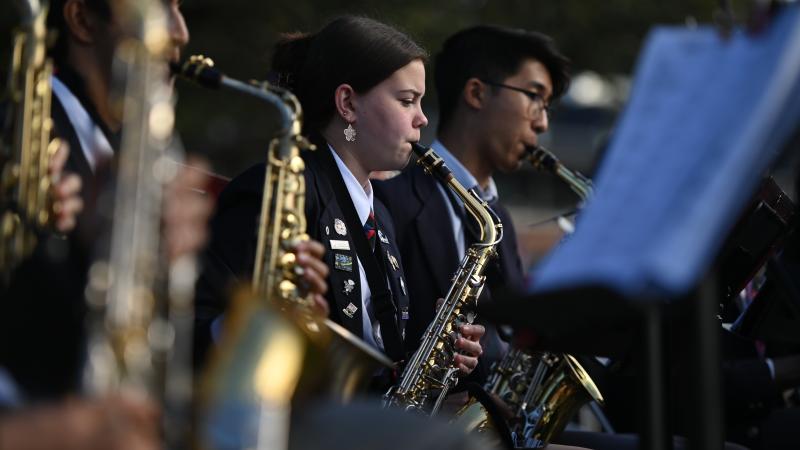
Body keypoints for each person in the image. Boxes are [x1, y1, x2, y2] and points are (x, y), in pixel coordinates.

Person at [194, 15, 485, 385]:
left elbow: (371, 350)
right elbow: (195, 336)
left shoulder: (378, 212)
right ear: (347, 103)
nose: (423, 119)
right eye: (407, 101)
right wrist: (262, 317)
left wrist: (434, 356)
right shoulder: (276, 193)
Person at [374, 24, 568, 383]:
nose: (542, 122)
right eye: (534, 97)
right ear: (477, 93)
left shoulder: (500, 219)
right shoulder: (388, 202)